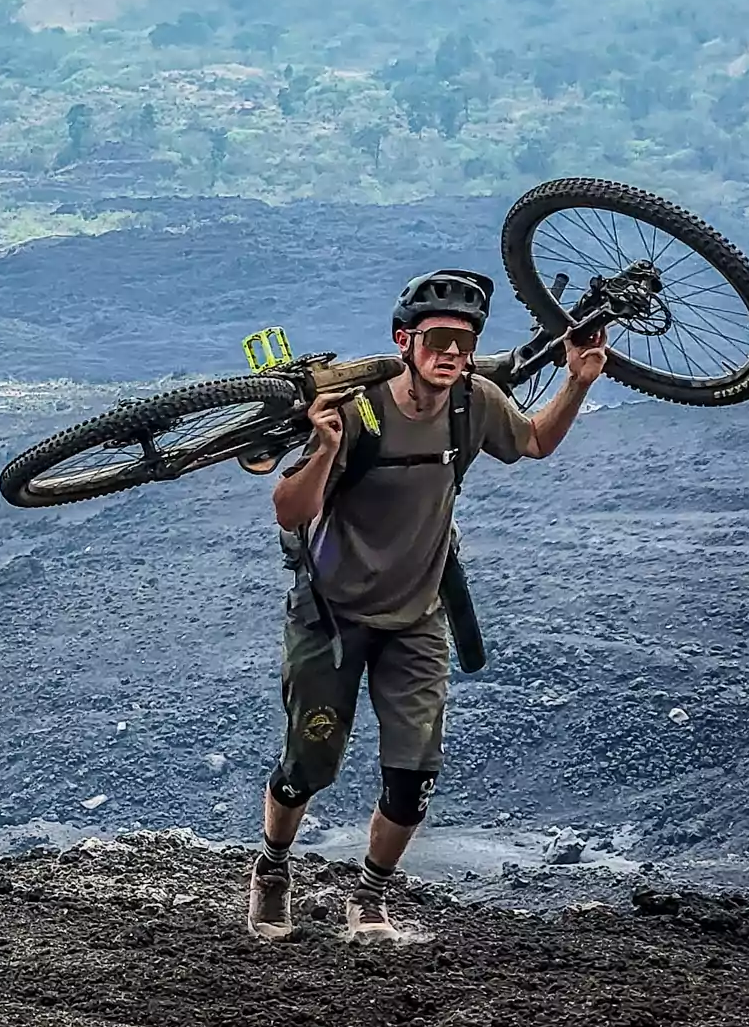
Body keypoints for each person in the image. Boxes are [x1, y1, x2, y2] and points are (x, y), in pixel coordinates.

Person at [249, 268, 607, 945]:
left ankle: (370, 898)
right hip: (330, 615)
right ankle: (271, 869)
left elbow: (533, 442)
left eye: (464, 341)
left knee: (412, 778)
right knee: (305, 768)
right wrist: (324, 448)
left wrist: (578, 380)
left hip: (415, 619)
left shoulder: (474, 401)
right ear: (402, 341)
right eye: (437, 338)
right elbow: (288, 509)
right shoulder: (360, 411)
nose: (451, 352)